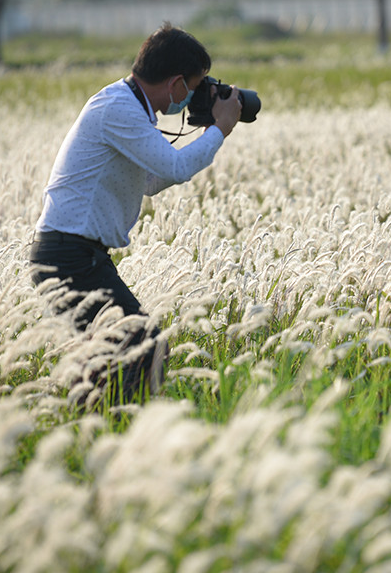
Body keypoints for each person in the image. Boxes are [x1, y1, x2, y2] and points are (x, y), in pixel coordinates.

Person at [30, 23, 242, 407]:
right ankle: (124, 423)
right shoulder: (119, 109)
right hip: (69, 255)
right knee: (143, 345)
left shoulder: (127, 106)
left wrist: (207, 133)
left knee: (115, 356)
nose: (190, 98)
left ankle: (101, 422)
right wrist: (220, 130)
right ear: (176, 83)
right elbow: (176, 168)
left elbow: (151, 180)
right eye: (193, 87)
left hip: (76, 254)